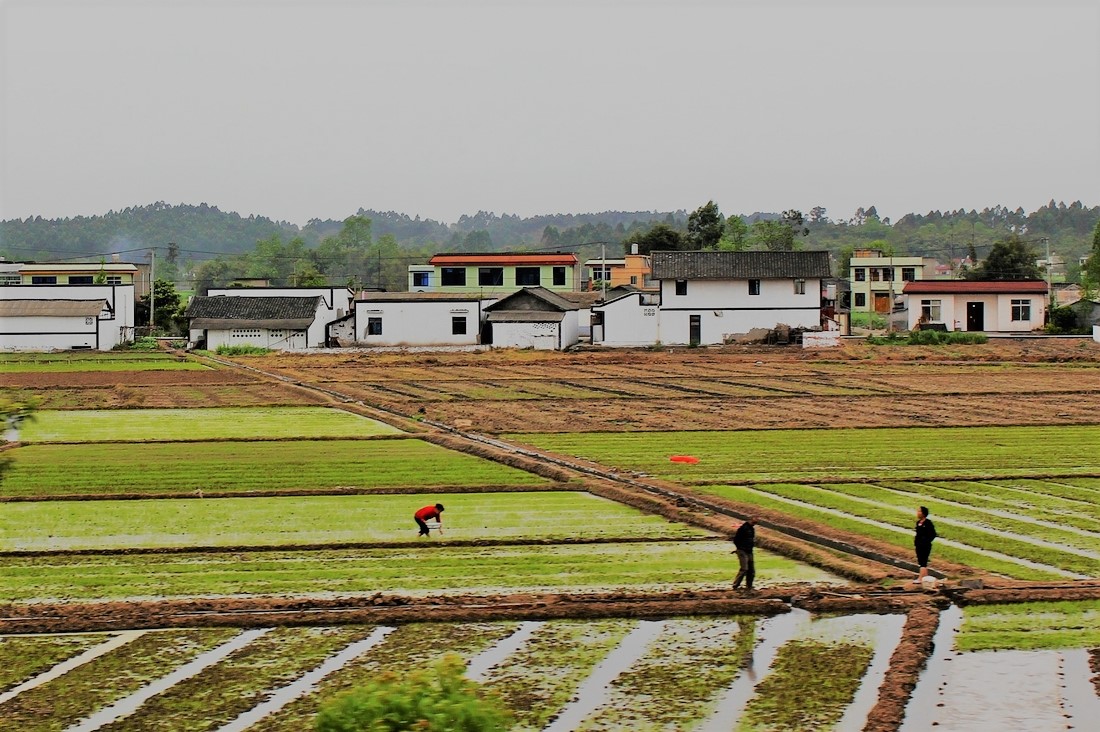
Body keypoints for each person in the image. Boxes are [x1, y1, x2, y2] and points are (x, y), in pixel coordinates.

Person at [731, 518, 757, 592]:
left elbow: (751, 539)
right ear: (750, 520)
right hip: (742, 550)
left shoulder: (752, 529)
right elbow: (736, 540)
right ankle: (735, 585)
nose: (754, 524)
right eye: (754, 522)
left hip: (749, 551)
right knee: (744, 568)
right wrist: (739, 548)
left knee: (751, 569)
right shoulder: (743, 529)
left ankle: (749, 586)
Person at [913, 506, 937, 583]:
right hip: (918, 545)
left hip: (925, 545)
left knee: (923, 561)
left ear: (923, 513)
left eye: (919, 511)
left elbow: (933, 534)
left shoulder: (928, 523)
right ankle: (925, 578)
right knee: (921, 561)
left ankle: (920, 578)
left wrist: (926, 541)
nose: (917, 513)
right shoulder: (918, 523)